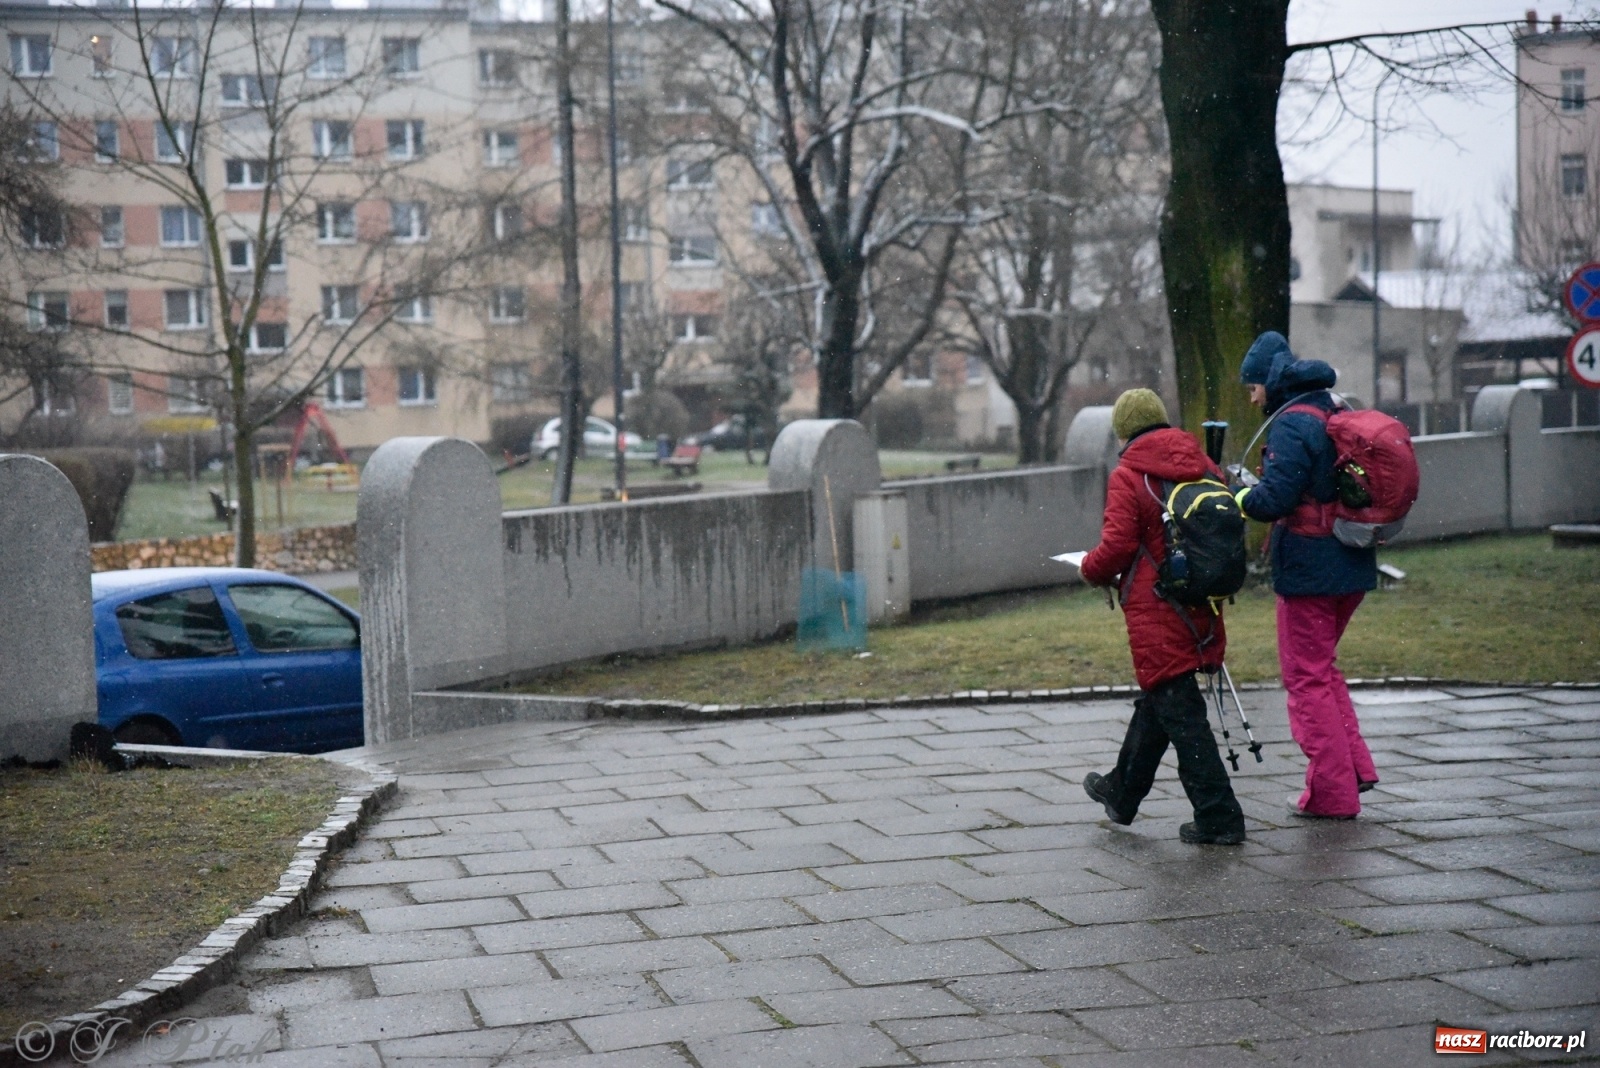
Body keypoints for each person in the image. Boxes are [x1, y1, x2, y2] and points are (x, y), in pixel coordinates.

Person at [1079, 388, 1248, 846]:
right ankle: (1122, 791)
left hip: (1158, 608)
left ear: (1124, 430)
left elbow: (1115, 548)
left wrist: (1087, 567)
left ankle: (1219, 817)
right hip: (1201, 603)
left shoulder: (1130, 475)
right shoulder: (1204, 465)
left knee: (1182, 714)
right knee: (1163, 699)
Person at [1234, 331, 1378, 820]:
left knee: (1306, 679)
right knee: (1324, 669)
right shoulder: (1331, 409)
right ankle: (1352, 770)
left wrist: (1239, 497)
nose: (1252, 396)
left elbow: (1275, 500)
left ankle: (1333, 795)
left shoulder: (1292, 423)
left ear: (1269, 383)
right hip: (1349, 562)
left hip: (1311, 568)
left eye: (1252, 386)